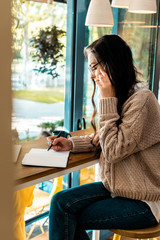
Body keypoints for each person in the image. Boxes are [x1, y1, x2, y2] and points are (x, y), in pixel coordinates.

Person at [47, 34, 160, 240]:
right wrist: (71, 143)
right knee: (60, 202)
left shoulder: (143, 99)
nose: (92, 75)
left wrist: (106, 99)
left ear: (113, 63)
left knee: (69, 215)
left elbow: (114, 150)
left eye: (95, 67)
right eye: (91, 68)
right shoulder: (121, 95)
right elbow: (103, 138)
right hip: (119, 188)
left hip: (145, 201)